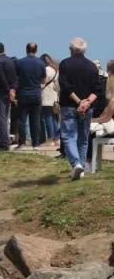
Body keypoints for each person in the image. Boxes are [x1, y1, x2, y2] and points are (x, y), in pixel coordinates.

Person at [58, 38, 102, 180]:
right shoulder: (92, 66)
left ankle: (76, 163)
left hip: (69, 105)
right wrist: (87, 103)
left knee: (69, 136)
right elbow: (98, 89)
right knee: (83, 139)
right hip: (88, 107)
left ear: (71, 49)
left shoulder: (65, 64)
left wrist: (79, 102)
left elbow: (65, 86)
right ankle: (81, 167)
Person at [13, 43, 47, 150]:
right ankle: (36, 144)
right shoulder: (41, 63)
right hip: (36, 93)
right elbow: (44, 80)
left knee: (22, 120)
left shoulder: (20, 62)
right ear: (36, 50)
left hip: (23, 94)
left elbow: (15, 77)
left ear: (26, 49)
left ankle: (22, 143)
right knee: (35, 120)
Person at [0, 42, 18, 150]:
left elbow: (1, 78)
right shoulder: (10, 60)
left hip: (0, 93)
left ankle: (4, 143)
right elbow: (14, 77)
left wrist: (8, 90)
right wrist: (13, 90)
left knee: (0, 118)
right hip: (9, 92)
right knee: (4, 117)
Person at [40, 53, 60, 146]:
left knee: (48, 117)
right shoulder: (56, 70)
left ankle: (50, 139)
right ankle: (56, 138)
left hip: (46, 96)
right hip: (54, 97)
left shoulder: (47, 70)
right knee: (54, 119)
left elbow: (42, 83)